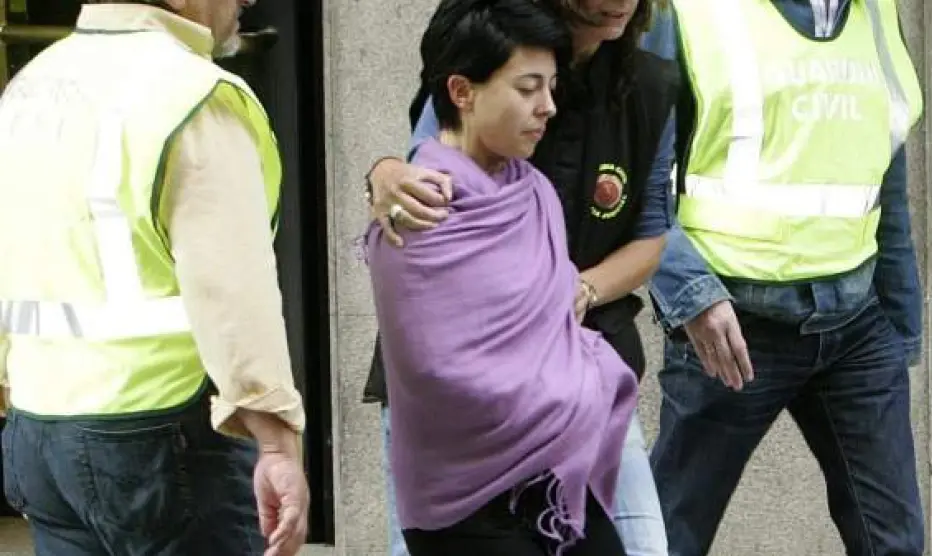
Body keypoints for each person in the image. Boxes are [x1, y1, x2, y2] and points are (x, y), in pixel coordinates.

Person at [363, 1, 679, 554]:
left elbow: (655, 233)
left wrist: (575, 297)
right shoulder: (491, 41)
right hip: (467, 450)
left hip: (574, 393)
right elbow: (426, 168)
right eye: (530, 88)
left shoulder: (644, 90)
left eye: (551, 87)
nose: (546, 107)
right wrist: (383, 173)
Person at [0, 1, 310, 555]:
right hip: (164, 433)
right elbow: (230, 286)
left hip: (39, 423)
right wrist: (276, 440)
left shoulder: (28, 87)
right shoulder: (194, 95)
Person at [646, 1, 926, 555]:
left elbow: (884, 176)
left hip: (856, 324)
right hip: (734, 324)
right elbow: (640, 180)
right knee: (667, 540)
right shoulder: (693, 12)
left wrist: (900, 327)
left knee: (895, 544)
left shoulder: (875, 12)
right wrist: (691, 296)